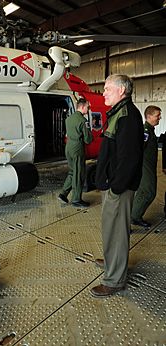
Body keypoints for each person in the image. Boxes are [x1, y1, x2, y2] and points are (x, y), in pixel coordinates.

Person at [91, 74, 144, 298]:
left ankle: (114, 279)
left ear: (121, 91)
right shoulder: (118, 112)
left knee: (117, 232)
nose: (103, 93)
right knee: (110, 229)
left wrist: (115, 187)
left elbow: (129, 158)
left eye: (107, 88)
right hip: (112, 185)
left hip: (119, 188)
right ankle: (112, 261)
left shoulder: (128, 116)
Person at [58, 98, 92, 207]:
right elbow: (88, 140)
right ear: (82, 107)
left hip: (68, 147)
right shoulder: (82, 121)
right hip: (77, 149)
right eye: (87, 107)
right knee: (78, 174)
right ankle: (76, 199)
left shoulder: (69, 119)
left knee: (72, 172)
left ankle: (63, 194)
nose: (88, 109)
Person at [131, 105, 161, 227]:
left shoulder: (150, 130)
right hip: (145, 166)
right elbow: (137, 150)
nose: (159, 118)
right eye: (157, 115)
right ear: (149, 116)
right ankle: (134, 216)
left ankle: (134, 215)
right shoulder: (145, 131)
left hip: (149, 166)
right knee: (149, 192)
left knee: (144, 191)